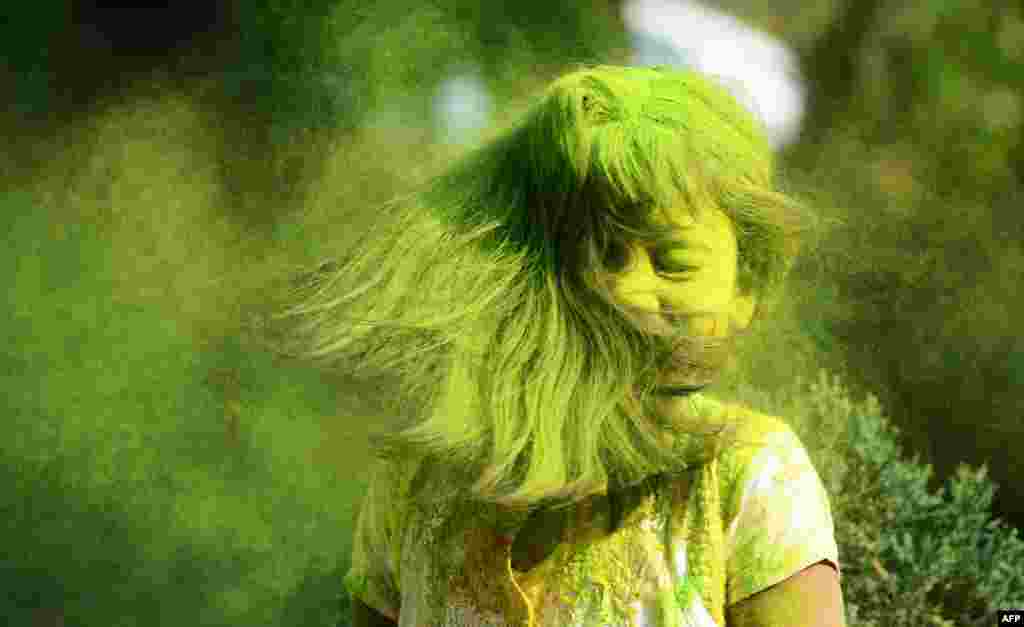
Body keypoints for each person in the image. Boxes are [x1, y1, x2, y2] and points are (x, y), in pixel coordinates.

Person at [273, 64, 844, 626]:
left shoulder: (749, 477)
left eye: (672, 261)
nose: (626, 288)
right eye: (599, 254)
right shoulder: (418, 487)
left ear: (747, 285)